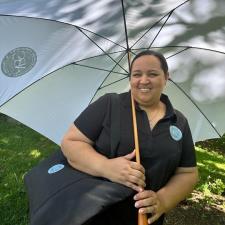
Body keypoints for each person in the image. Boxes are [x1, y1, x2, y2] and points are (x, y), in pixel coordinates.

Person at [61, 50, 198, 225]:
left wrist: (163, 200)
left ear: (166, 78)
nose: (144, 80)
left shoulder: (179, 121)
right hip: (95, 214)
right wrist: (106, 167)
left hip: (146, 219)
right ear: (130, 79)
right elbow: (70, 142)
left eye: (153, 74)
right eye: (137, 74)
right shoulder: (109, 104)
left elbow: (188, 173)